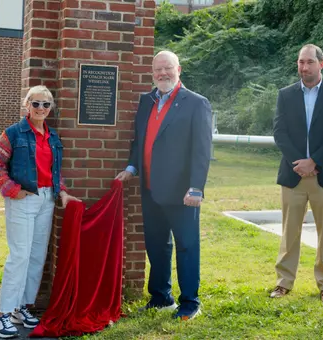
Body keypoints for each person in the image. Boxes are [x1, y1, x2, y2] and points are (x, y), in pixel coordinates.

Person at [115, 50, 212, 320]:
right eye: (158, 70)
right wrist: (132, 168)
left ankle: (190, 303)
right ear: (152, 73)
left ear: (178, 69)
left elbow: (202, 150)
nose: (163, 74)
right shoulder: (147, 100)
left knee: (186, 245)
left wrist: (196, 187)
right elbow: (141, 140)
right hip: (150, 188)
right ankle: (161, 297)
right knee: (156, 244)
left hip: (183, 192)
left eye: (168, 68)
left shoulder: (196, 103)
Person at [0, 85, 80, 338]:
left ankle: (22, 307)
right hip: (22, 199)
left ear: (51, 108)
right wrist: (11, 189)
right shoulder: (14, 133)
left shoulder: (52, 137)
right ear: (26, 105)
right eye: (35, 103)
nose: (40, 109)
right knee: (19, 256)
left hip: (46, 200)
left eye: (45, 104)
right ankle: (2, 315)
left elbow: (55, 172)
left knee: (37, 256)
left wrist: (61, 192)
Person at [270, 44, 323, 304]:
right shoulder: (286, 94)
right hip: (293, 175)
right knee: (288, 231)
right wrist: (300, 163)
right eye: (300, 62)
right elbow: (279, 132)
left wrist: (314, 162)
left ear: (321, 64)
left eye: (309, 62)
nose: (304, 67)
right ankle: (283, 283)